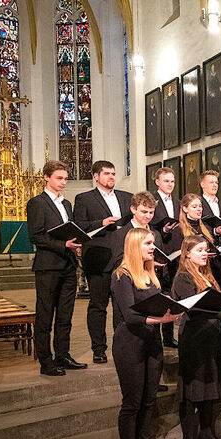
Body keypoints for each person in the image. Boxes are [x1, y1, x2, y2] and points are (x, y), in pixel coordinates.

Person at [111, 228, 182, 439]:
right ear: (134, 246)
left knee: (149, 401)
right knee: (132, 404)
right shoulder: (121, 276)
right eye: (148, 243)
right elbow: (130, 316)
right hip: (129, 343)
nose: (153, 247)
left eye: (153, 243)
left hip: (151, 342)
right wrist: (161, 319)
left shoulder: (150, 276)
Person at [172, 236, 221, 439]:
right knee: (193, 391)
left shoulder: (207, 274)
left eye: (205, 250)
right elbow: (196, 308)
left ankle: (206, 434)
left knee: (210, 387)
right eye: (199, 250)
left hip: (211, 336)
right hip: (194, 338)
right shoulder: (183, 277)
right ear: (187, 253)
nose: (203, 253)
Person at [26, 160, 85, 376]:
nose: (63, 182)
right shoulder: (37, 203)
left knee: (65, 315)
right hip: (48, 267)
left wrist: (74, 246)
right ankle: (46, 361)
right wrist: (63, 245)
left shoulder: (67, 204)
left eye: (65, 179)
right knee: (45, 316)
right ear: (46, 177)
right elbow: (36, 236)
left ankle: (63, 355)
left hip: (68, 266)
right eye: (59, 178)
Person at [73, 160, 132, 364]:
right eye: (106, 173)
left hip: (122, 260)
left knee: (122, 306)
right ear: (96, 176)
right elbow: (79, 226)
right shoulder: (84, 198)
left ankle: (122, 345)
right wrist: (102, 223)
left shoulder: (127, 197)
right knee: (98, 306)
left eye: (113, 174)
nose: (111, 177)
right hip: (98, 259)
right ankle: (99, 349)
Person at [150, 168, 180, 349]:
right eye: (166, 181)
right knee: (159, 293)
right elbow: (149, 223)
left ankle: (169, 337)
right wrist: (164, 230)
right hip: (159, 249)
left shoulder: (177, 202)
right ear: (157, 182)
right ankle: (156, 336)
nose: (170, 184)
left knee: (171, 294)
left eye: (172, 181)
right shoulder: (153, 201)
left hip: (175, 252)